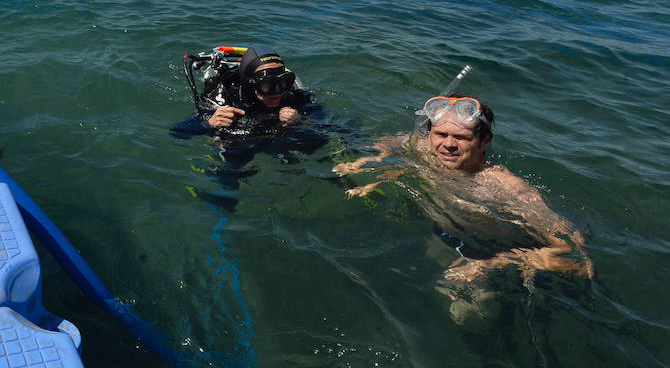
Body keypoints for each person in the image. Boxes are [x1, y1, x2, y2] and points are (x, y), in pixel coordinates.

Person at [334, 93, 590, 328]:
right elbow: (395, 142)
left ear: (485, 141)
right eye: (440, 134)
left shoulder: (506, 190)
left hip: (492, 254)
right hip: (444, 235)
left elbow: (575, 256)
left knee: (468, 316)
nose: (448, 145)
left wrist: (491, 264)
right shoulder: (426, 149)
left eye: (462, 138)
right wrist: (371, 162)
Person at [182, 43, 319, 134]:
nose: (277, 92)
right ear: (250, 84)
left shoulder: (294, 96)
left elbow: (330, 127)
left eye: (283, 83)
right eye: (267, 85)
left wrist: (300, 121)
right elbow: (180, 132)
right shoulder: (225, 96)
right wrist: (209, 123)